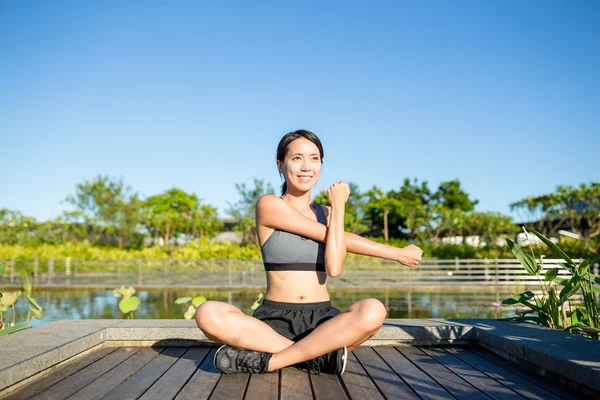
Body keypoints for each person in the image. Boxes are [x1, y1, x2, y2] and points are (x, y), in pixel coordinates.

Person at [195, 129, 423, 375]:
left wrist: (337, 208)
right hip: (273, 320)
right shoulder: (269, 204)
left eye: (314, 158)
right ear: (280, 165)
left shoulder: (328, 213)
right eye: (297, 158)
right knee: (208, 313)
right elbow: (331, 236)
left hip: (321, 320)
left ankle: (270, 361)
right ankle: (315, 356)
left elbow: (334, 268)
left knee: (374, 310)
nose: (306, 167)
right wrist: (397, 253)